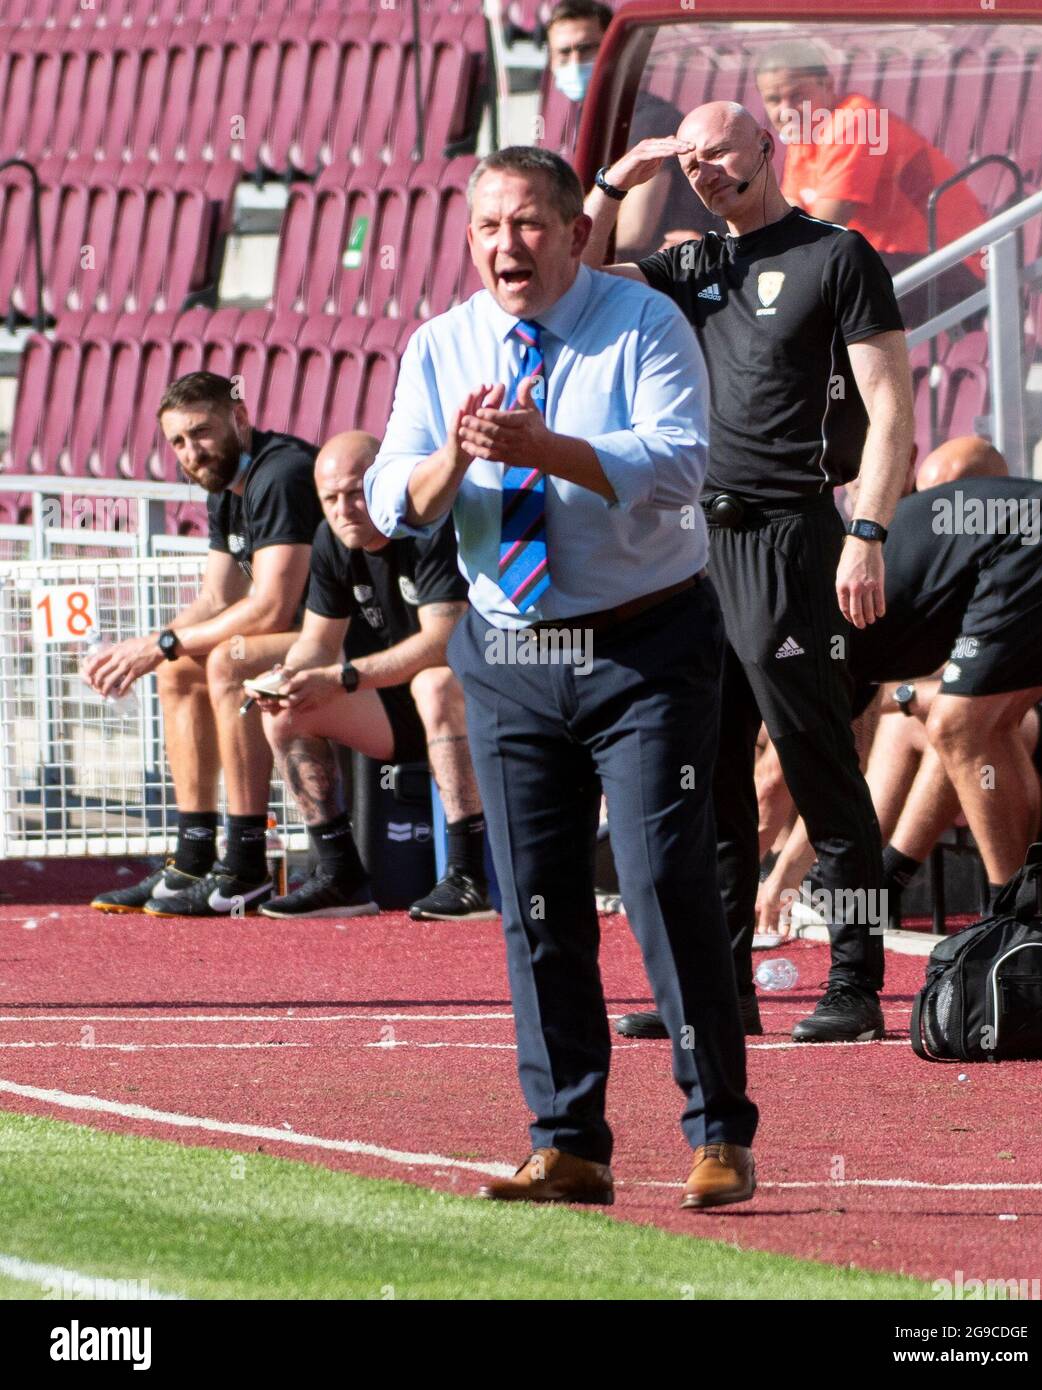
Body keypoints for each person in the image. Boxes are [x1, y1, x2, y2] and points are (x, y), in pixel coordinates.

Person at [365, 145, 758, 1209]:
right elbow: (391, 497)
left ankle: (717, 1128)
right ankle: (567, 1139)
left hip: (644, 646)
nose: (509, 246)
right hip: (509, 651)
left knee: (661, 881)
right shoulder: (440, 345)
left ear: (575, 231)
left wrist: (549, 448)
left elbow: (682, 466)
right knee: (533, 901)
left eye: (530, 224)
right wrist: (456, 457)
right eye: (489, 227)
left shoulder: (642, 325)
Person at [583, 99, 915, 1043]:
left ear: (768, 146)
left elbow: (891, 408)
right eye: (687, 157)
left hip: (791, 537)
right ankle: (723, 985)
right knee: (707, 771)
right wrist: (618, 180)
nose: (701, 169)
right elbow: (574, 281)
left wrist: (871, 533)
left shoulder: (835, 254)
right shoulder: (691, 264)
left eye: (719, 150)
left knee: (817, 766)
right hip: (694, 547)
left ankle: (855, 982)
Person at [756, 437, 1042, 927]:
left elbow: (773, 787)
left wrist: (722, 897)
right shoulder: (837, 619)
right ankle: (1015, 918)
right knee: (961, 723)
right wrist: (782, 877)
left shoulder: (798, 626)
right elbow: (832, 773)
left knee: (960, 723)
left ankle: (1011, 922)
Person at [87, 372, 323, 918]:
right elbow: (217, 598)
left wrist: (163, 642)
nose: (191, 452)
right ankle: (193, 855)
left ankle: (245, 863)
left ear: (239, 418)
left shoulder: (280, 473)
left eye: (202, 433)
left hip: (349, 639)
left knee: (227, 660)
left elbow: (271, 607)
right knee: (177, 669)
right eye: (178, 442)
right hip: (303, 638)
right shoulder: (225, 484)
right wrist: (151, 646)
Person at [251, 431, 491, 921]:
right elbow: (316, 641)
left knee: (435, 682)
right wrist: (287, 677)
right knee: (285, 714)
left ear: (384, 482)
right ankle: (341, 876)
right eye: (331, 498)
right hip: (392, 703)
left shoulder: (427, 524)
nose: (344, 509)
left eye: (356, 492)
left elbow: (442, 641)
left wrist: (343, 678)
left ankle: (469, 877)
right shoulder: (332, 539)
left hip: (480, 698)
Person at [754, 40, 987, 326]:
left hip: (952, 266)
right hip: (892, 264)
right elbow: (790, 214)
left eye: (797, 95)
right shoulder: (804, 130)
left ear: (827, 85)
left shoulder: (856, 120)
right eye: (774, 100)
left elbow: (823, 229)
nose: (785, 110)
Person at [544, 0, 713, 257]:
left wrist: (552, 245)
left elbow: (633, 232)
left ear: (616, 52)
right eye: (564, 53)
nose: (575, 61)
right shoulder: (590, 117)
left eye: (587, 49)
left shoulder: (653, 120)